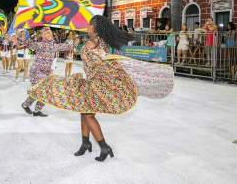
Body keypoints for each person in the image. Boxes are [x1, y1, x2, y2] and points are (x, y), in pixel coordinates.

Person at [28, 15, 174, 162]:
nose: (87, 27)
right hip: (94, 82)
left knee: (88, 115)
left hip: (95, 84)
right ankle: (85, 143)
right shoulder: (101, 42)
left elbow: (96, 63)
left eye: (89, 25)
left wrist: (80, 46)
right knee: (84, 111)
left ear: (94, 29)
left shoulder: (90, 45)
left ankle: (104, 146)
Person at [21, 27, 74, 117]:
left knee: (42, 92)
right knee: (43, 90)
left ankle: (32, 108)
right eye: (46, 33)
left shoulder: (54, 46)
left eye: (49, 33)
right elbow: (28, 44)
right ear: (42, 35)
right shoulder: (40, 44)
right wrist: (22, 36)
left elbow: (68, 46)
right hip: (36, 72)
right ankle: (29, 106)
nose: (49, 34)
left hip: (46, 73)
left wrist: (72, 38)